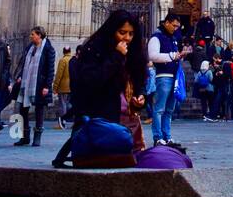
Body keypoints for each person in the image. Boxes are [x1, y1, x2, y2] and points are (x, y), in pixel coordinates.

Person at [68, 10, 146, 126]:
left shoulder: (134, 52)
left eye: (131, 34)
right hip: (99, 117)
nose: (127, 38)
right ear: (112, 31)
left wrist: (140, 98)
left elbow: (137, 80)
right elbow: (91, 80)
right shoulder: (95, 48)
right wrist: (117, 55)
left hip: (126, 120)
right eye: (122, 32)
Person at [148, 10, 191, 146]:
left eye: (178, 26)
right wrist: (172, 56)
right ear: (166, 23)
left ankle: (167, 136)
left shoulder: (173, 38)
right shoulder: (156, 37)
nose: (176, 28)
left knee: (169, 110)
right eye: (174, 25)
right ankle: (158, 137)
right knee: (159, 108)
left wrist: (179, 55)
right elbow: (153, 56)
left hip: (174, 76)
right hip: (163, 76)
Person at [13, 26, 56, 147]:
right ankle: (24, 136)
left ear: (39, 35)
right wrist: (20, 76)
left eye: (33, 34)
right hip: (26, 83)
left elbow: (50, 69)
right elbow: (25, 64)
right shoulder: (29, 48)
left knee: (39, 110)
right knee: (22, 109)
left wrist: (47, 86)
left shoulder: (48, 50)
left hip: (40, 83)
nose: (31, 36)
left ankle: (37, 137)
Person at [53, 47, 72, 128]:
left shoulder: (63, 60)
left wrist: (55, 87)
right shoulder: (73, 60)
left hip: (63, 87)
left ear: (63, 52)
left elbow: (59, 75)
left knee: (62, 104)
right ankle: (69, 119)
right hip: (72, 86)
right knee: (68, 103)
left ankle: (62, 122)